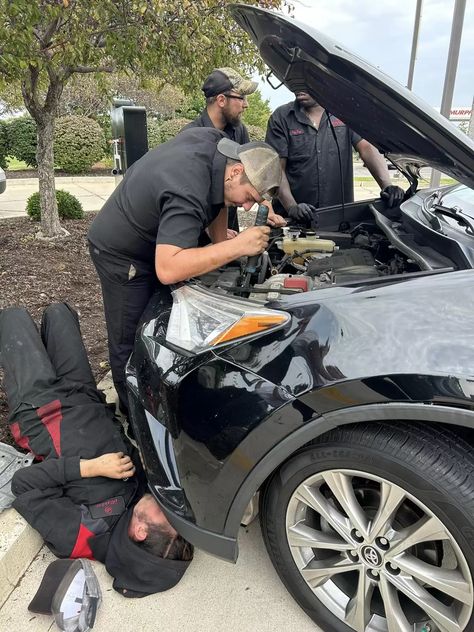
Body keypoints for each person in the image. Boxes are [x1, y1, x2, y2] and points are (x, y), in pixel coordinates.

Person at [0, 303, 192, 597]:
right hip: (84, 395)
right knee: (59, 313)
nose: (170, 508)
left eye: (168, 519)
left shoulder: (80, 537)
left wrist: (90, 468)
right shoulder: (140, 504)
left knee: (13, 319)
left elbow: (23, 486)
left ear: (140, 532)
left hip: (42, 411)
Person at [88, 128, 281, 413]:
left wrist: (218, 244)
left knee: (158, 323)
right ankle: (135, 422)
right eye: (250, 196)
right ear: (236, 170)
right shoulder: (187, 188)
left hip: (152, 239)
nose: (248, 205)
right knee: (129, 341)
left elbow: (220, 200)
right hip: (122, 252)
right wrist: (237, 246)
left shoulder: (217, 147)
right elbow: (168, 269)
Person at [265, 91, 405, 224]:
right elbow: (277, 169)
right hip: (293, 222)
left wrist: (387, 186)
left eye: (304, 83)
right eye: (295, 84)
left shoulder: (345, 113)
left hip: (337, 220)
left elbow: (367, 148)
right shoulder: (281, 117)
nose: (299, 89)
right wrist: (292, 207)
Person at [183, 67, 285, 233]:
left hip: (230, 226)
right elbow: (185, 199)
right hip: (198, 234)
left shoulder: (239, 131)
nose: (246, 105)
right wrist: (210, 232)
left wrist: (266, 207)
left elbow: (252, 176)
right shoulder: (191, 137)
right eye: (241, 98)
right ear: (221, 100)